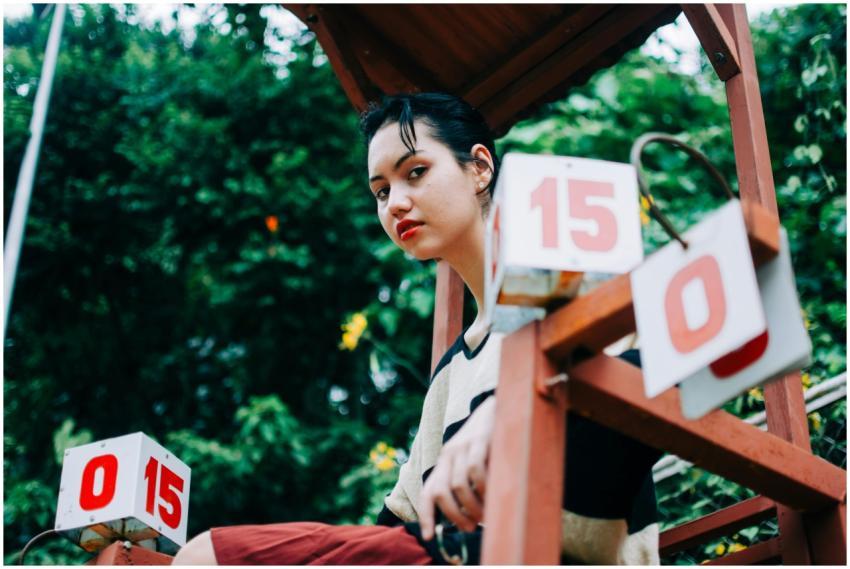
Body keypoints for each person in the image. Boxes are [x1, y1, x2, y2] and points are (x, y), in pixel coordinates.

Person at [172, 92, 661, 565]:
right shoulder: (451, 378)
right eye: (382, 191)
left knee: (210, 557)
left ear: (480, 168)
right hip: (453, 554)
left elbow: (649, 378)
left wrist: (512, 407)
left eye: (416, 172)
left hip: (548, 557)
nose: (395, 204)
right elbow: (395, 527)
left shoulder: (577, 283)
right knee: (206, 556)